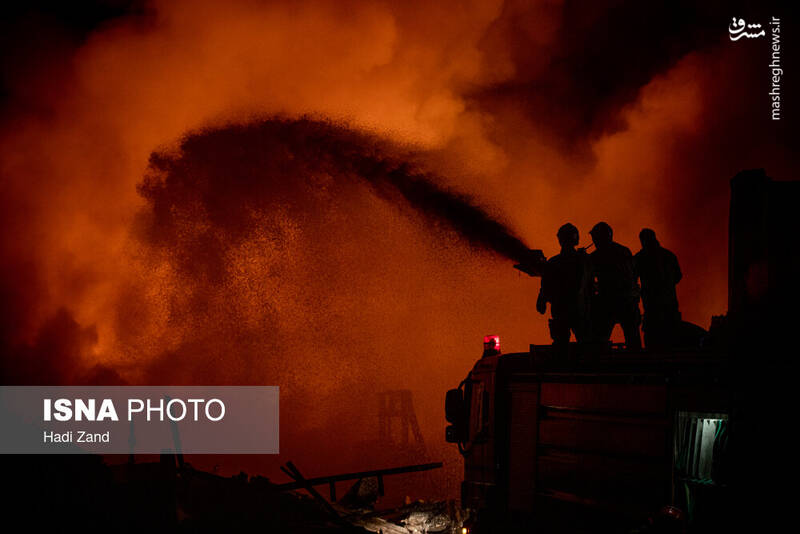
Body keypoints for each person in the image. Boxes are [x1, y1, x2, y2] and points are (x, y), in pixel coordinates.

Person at [536, 223, 592, 349]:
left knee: (562, 345)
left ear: (560, 239)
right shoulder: (584, 260)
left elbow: (545, 286)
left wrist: (542, 300)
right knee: (585, 345)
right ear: (576, 239)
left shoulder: (554, 262)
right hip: (579, 310)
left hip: (561, 310)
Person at [588, 222, 642, 350]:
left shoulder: (596, 256)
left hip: (607, 302)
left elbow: (588, 278)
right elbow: (634, 273)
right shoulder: (624, 251)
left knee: (600, 339)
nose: (594, 241)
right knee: (632, 337)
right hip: (627, 301)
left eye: (595, 237)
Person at [634, 228, 682, 349]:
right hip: (669, 303)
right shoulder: (668, 255)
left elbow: (632, 277)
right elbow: (678, 276)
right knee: (672, 337)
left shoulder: (640, 258)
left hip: (652, 305)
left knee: (653, 338)